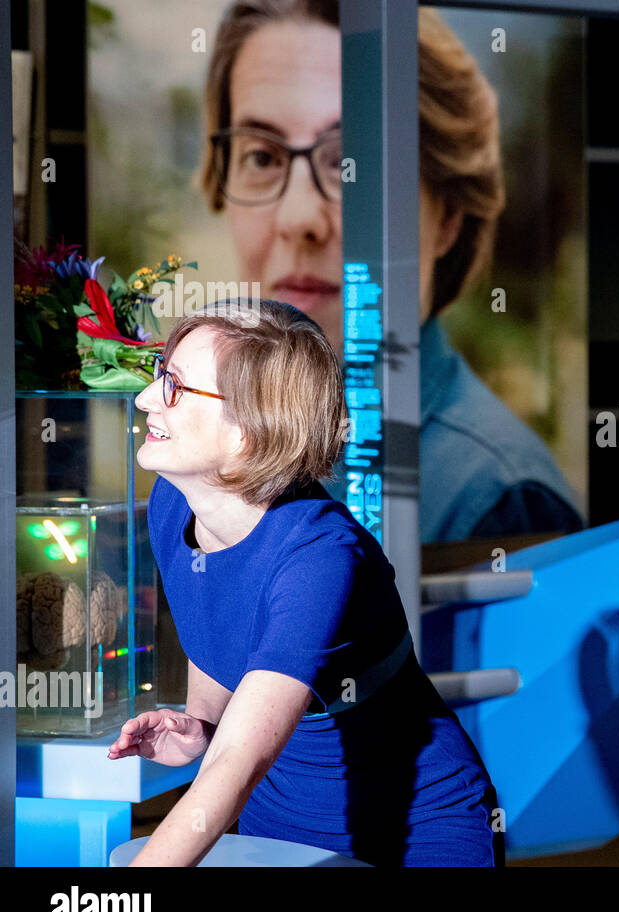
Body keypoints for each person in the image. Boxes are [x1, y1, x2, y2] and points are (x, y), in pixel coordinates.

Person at [109, 300, 499, 866]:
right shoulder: (173, 504)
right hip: (281, 825)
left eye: (174, 385)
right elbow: (221, 685)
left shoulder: (320, 557)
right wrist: (200, 728)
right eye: (157, 375)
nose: (145, 398)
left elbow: (236, 765)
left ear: (248, 428)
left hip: (415, 830)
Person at [197, 0, 582, 541]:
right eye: (262, 157)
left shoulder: (494, 500)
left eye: (350, 160)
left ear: (447, 216)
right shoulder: (233, 446)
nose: (299, 217)